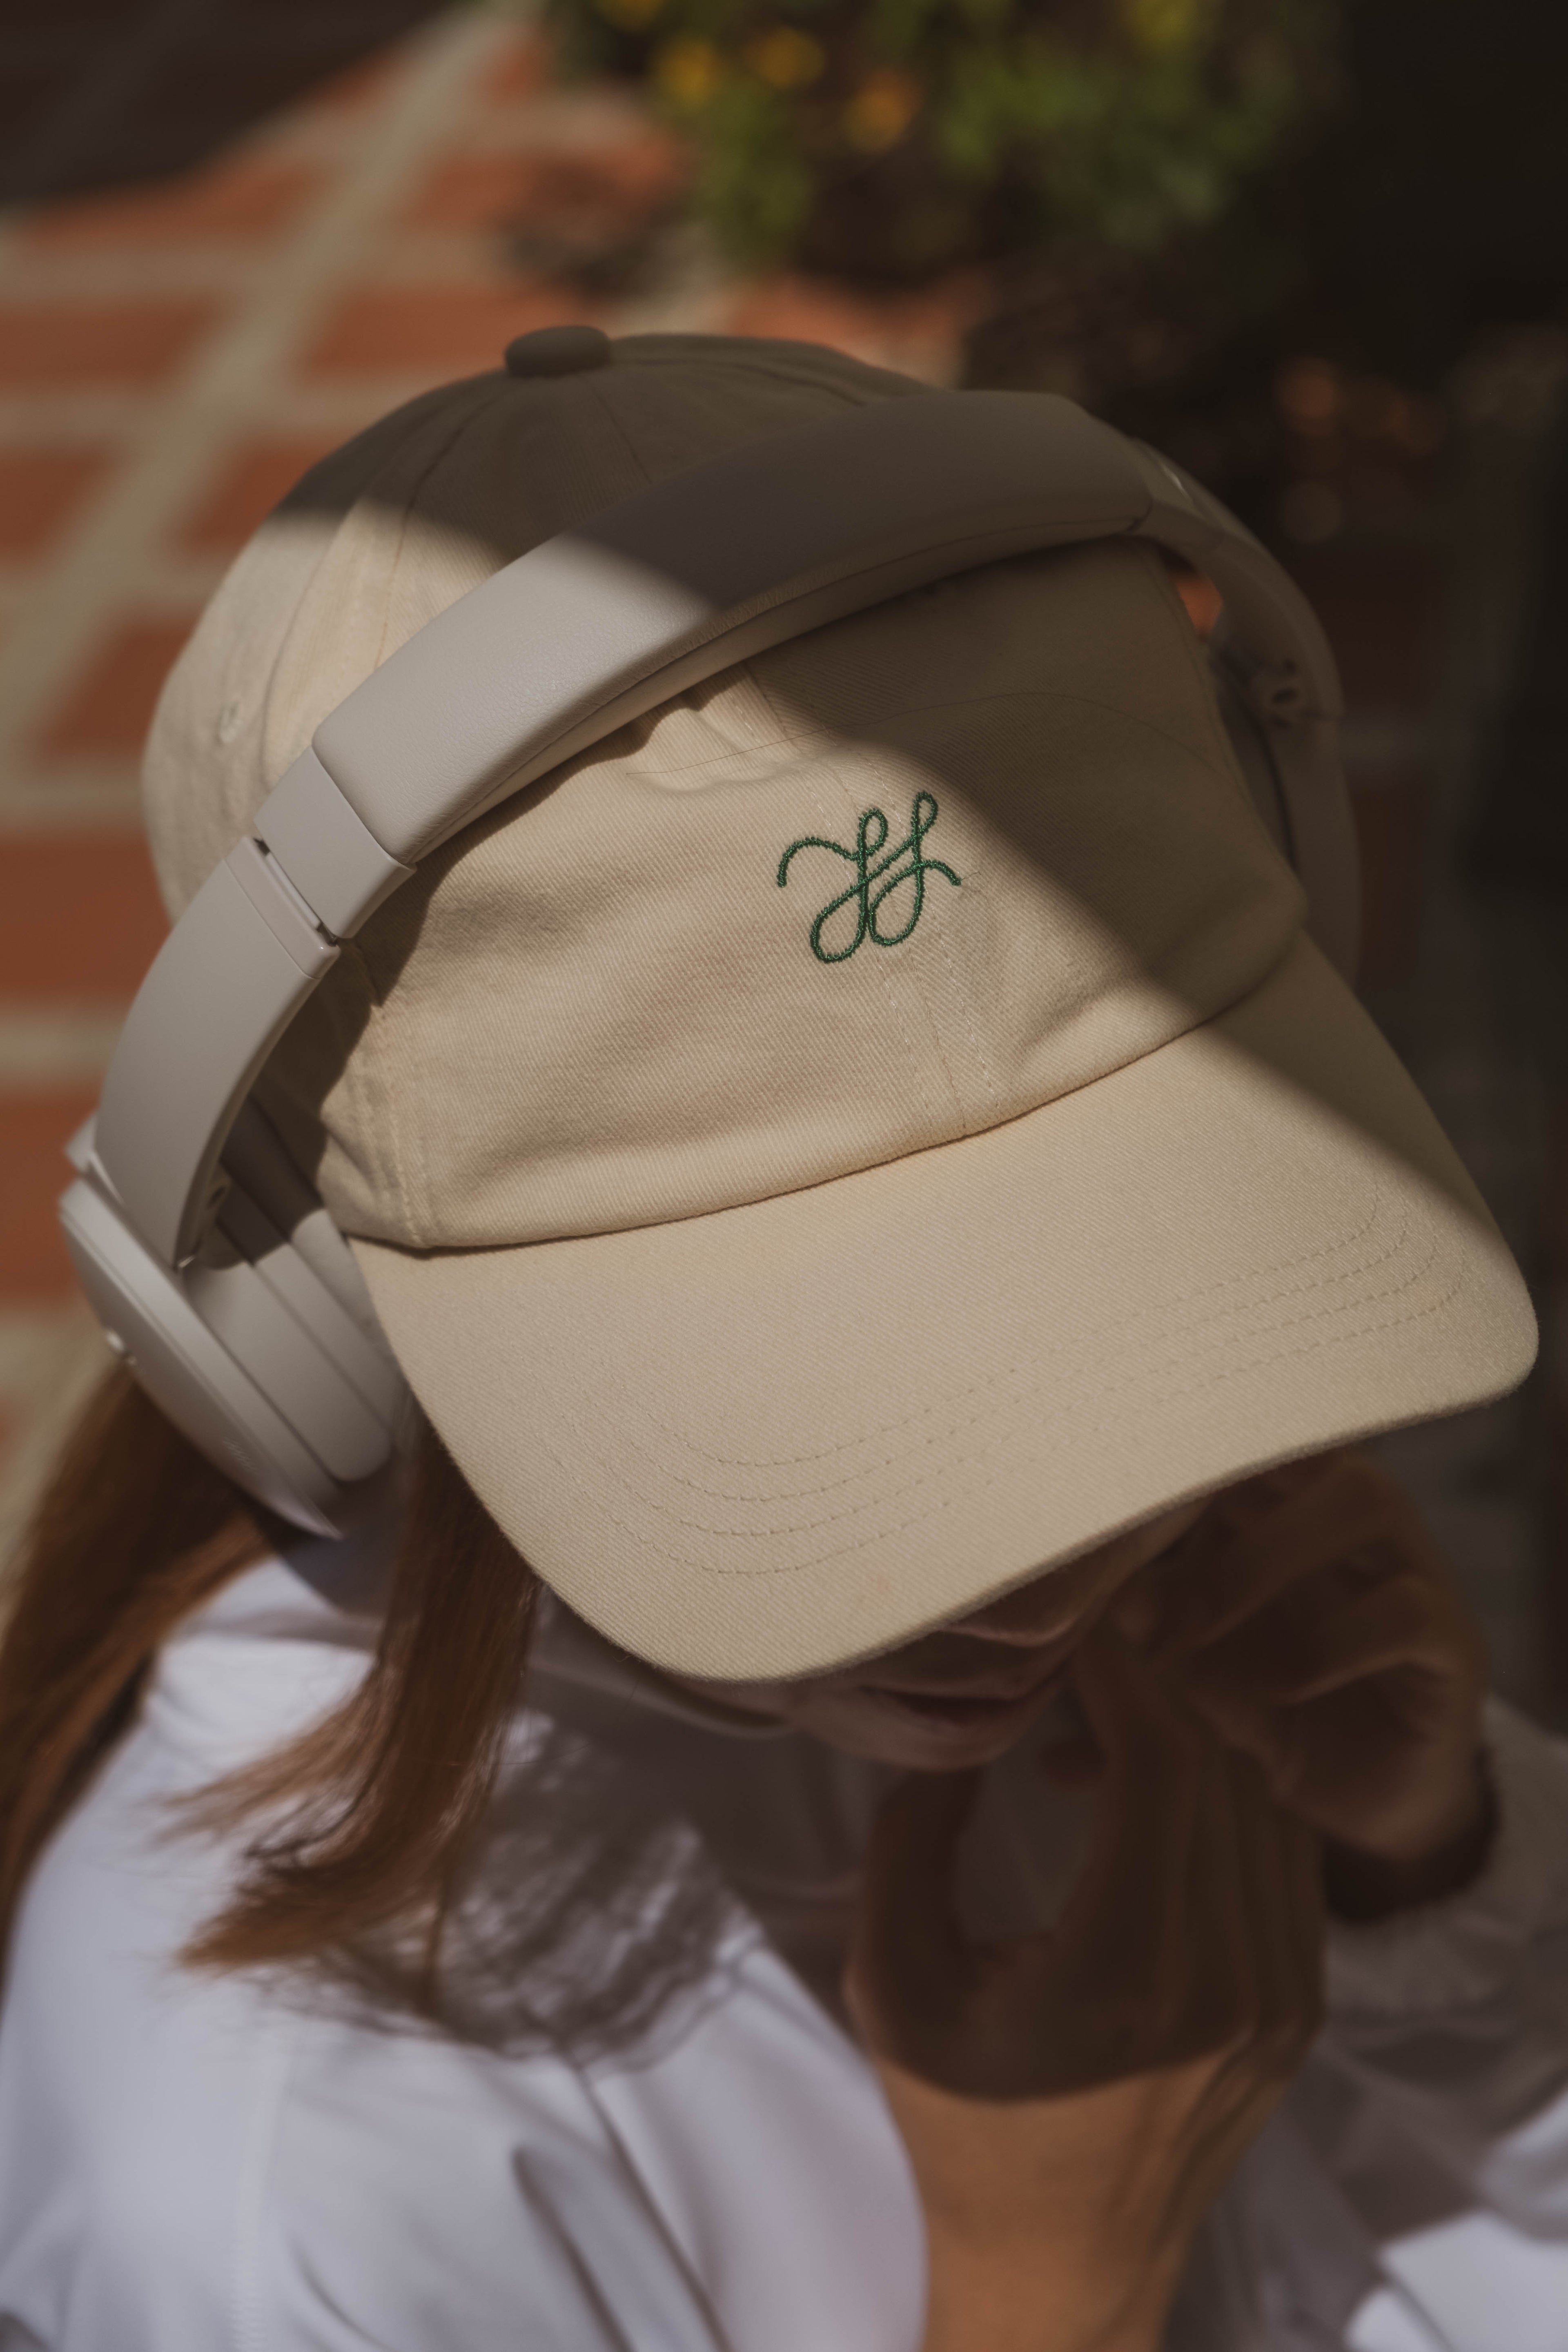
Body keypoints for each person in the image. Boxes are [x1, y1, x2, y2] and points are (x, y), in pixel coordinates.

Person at [0, 330, 1561, 2352]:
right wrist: (1042, 2296)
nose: (1048, 1532)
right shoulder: (265, 2207)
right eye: (811, 1359)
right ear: (304, 1301)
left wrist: (1437, 1890)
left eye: (1121, 1266)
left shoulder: (1155, 1677)